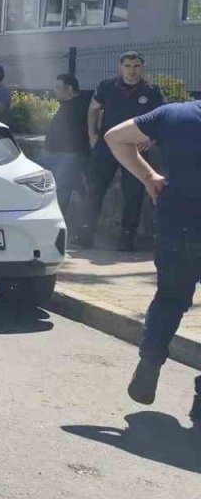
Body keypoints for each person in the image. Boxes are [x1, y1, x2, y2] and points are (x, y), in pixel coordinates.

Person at [105, 98, 201, 419]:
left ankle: (150, 362)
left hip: (178, 225)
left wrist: (148, 177)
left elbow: (114, 137)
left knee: (170, 299)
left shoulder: (175, 114)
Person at [72, 51, 165, 251]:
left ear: (143, 67)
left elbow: (161, 118)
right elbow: (93, 109)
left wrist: (152, 138)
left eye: (136, 66)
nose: (132, 71)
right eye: (128, 66)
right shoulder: (107, 86)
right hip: (107, 146)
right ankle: (85, 235)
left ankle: (127, 239)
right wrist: (92, 135)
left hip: (136, 149)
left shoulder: (152, 91)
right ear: (120, 67)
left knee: (133, 194)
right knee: (95, 189)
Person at [38, 74, 91, 218]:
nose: (55, 90)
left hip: (69, 153)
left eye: (58, 87)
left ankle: (56, 218)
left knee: (61, 188)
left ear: (69, 88)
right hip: (51, 151)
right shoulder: (66, 103)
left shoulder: (83, 104)